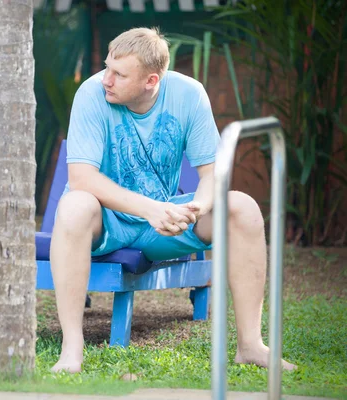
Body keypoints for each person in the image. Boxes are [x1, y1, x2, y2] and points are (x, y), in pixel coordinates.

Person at [49, 27, 297, 374]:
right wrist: (152, 209)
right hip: (106, 222)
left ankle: (251, 345)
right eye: (107, 67)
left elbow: (212, 175)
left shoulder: (188, 95)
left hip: (160, 224)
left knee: (243, 208)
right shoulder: (91, 94)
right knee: (75, 205)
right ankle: (71, 348)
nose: (106, 79)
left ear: (151, 81)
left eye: (119, 74)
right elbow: (81, 179)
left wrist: (197, 208)